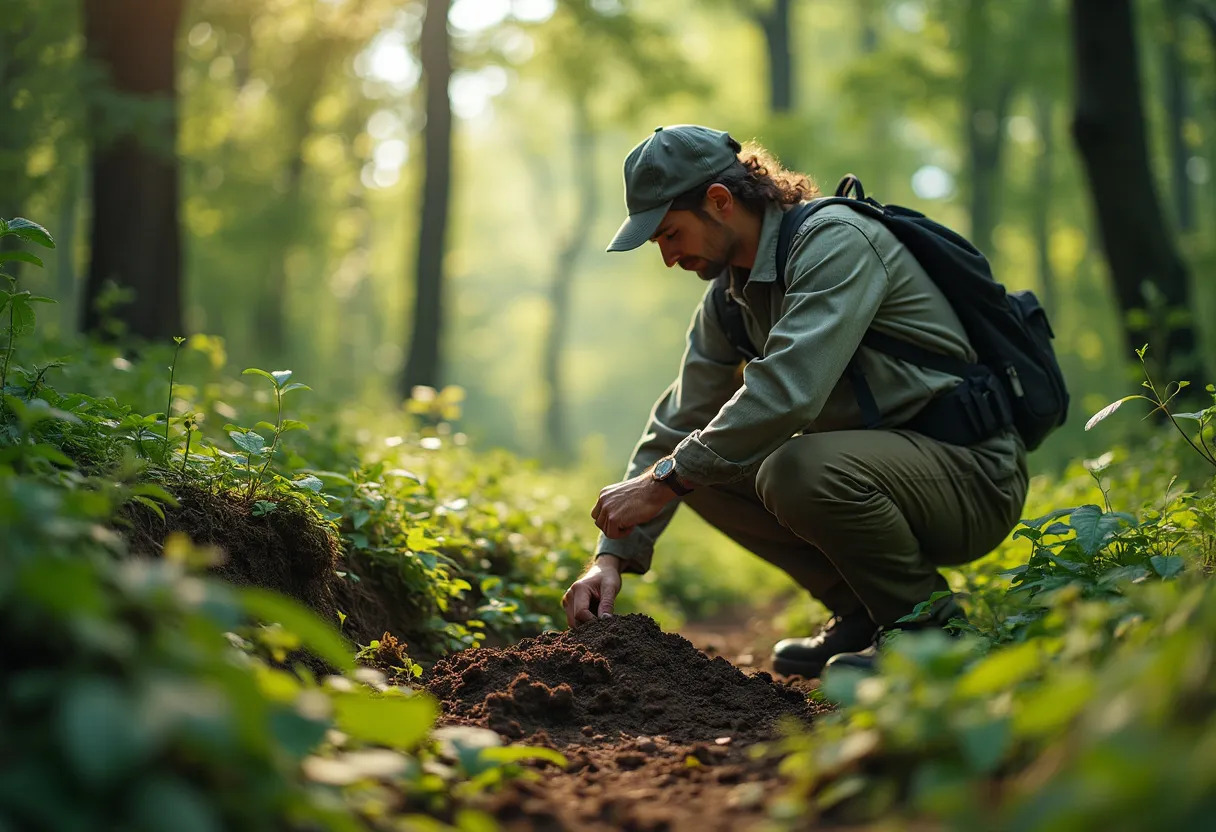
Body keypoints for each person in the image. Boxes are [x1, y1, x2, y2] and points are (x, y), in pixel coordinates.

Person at [560, 124, 1029, 676]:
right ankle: (861, 611)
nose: (667, 257)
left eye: (669, 234)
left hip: (970, 474)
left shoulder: (835, 241)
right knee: (694, 465)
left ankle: (929, 630)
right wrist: (610, 555)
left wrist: (665, 479)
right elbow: (678, 420)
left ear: (719, 201)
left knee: (781, 468)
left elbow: (788, 393)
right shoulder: (729, 300)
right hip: (877, 474)